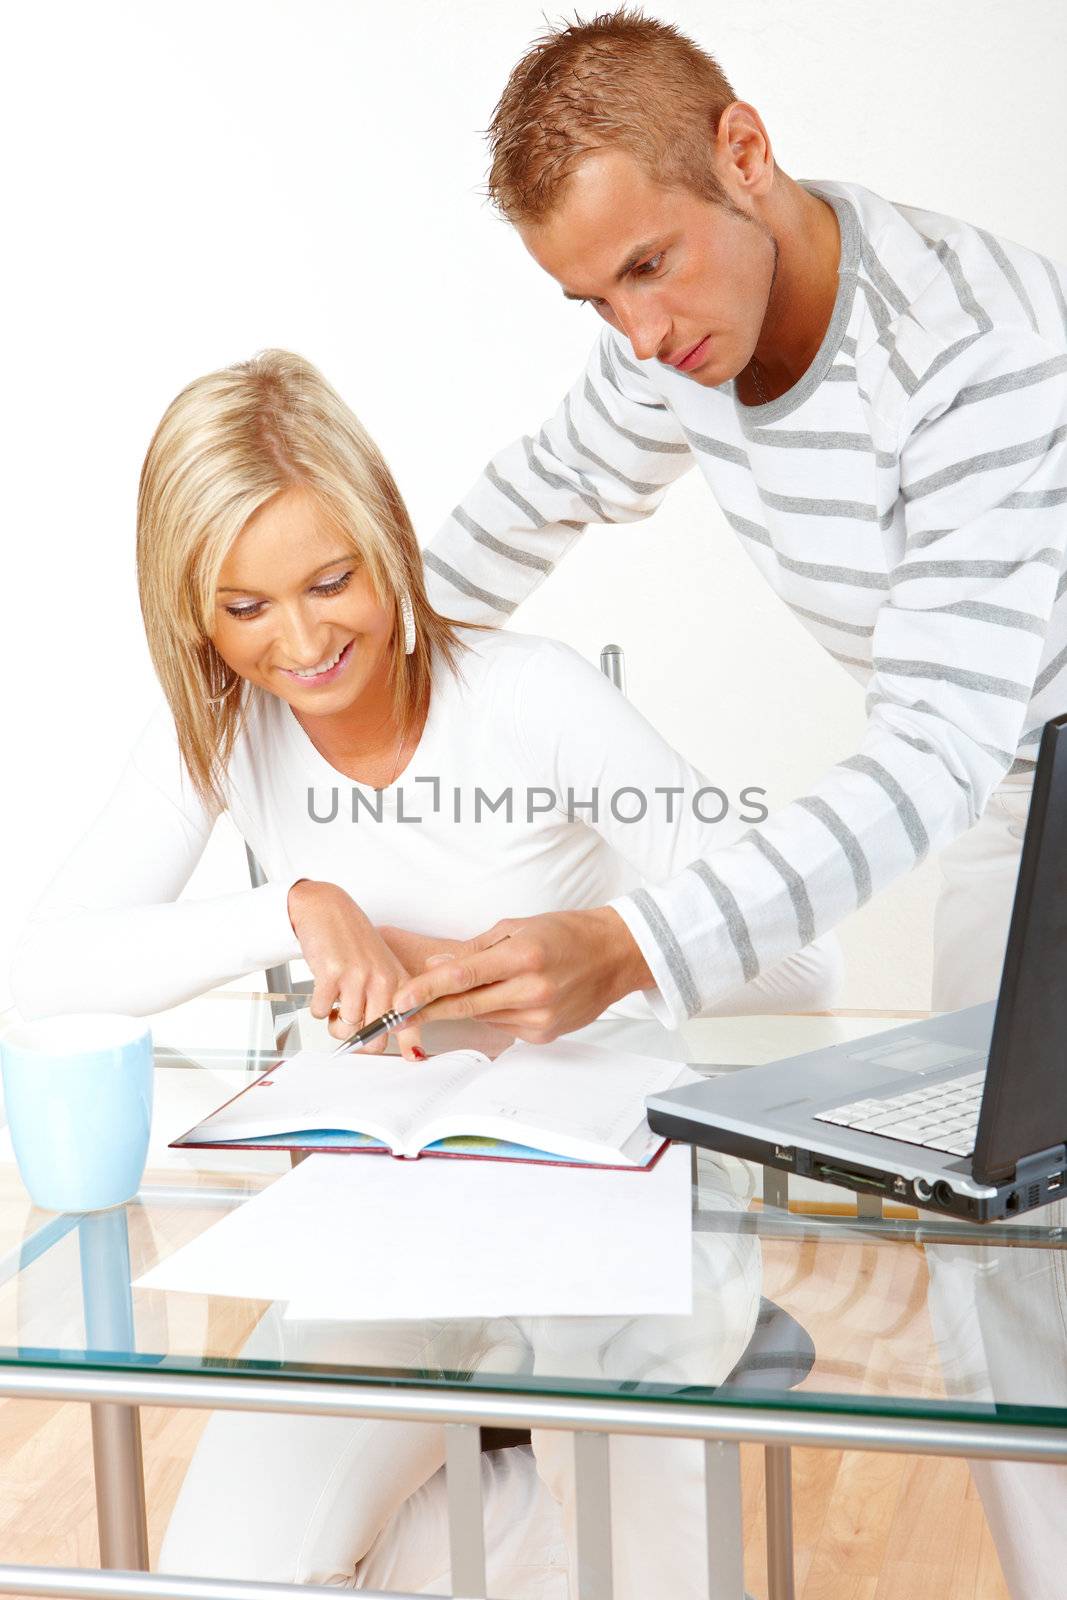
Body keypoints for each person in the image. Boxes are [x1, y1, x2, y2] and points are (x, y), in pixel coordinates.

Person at [390, 14, 1067, 1599]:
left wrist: (630, 944)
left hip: (994, 752)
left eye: (646, 266)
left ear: (743, 153)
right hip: (1002, 787)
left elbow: (922, 756)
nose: (634, 332)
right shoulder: (676, 345)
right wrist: (344, 659)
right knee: (1004, 1259)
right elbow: (530, 497)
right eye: (591, 297)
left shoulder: (973, 355)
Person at [9, 347, 836, 1593]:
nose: (300, 640)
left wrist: (610, 954)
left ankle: (496, 1510)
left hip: (605, 1235)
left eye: (329, 579)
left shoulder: (533, 700)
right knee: (216, 1578)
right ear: (192, 612)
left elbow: (806, 964)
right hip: (381, 1248)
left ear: (385, 540)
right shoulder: (223, 736)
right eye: (244, 608)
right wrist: (289, 908)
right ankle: (488, 1508)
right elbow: (37, 979)